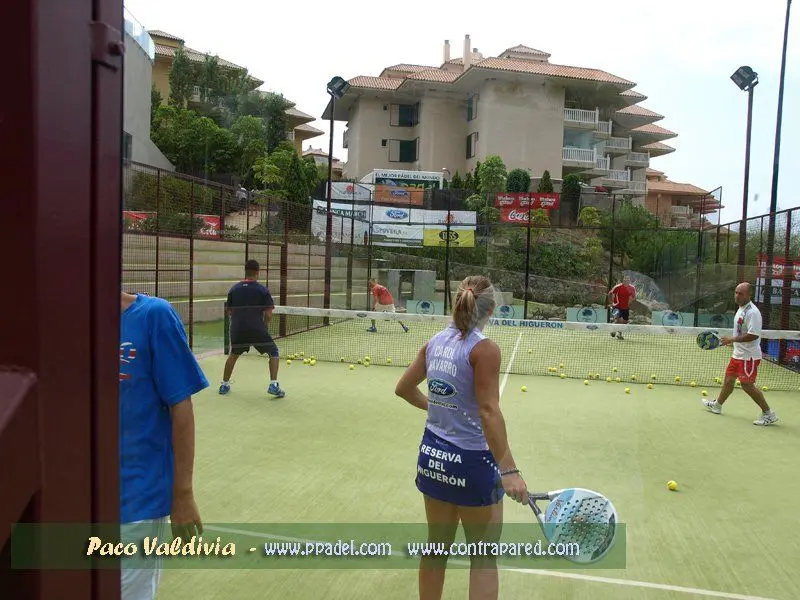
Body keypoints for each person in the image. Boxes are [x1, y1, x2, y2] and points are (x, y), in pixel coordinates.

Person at [394, 275, 528, 600]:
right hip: (471, 463)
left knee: (436, 547)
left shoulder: (434, 342)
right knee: (482, 557)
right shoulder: (485, 349)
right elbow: (488, 411)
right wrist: (509, 470)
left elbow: (403, 389)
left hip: (432, 459)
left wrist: (438, 406)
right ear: (491, 310)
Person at [119, 292, 208, 600]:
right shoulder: (65, 326)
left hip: (137, 502)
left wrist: (183, 494)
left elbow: (180, 407)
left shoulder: (154, 316)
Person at [703, 282, 779, 426]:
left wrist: (732, 339)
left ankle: (769, 414)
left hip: (748, 357)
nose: (737, 296)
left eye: (741, 293)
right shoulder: (741, 309)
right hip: (738, 354)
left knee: (747, 385)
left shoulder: (752, 312)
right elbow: (740, 332)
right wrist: (731, 342)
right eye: (736, 292)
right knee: (728, 381)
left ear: (749, 295)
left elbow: (753, 335)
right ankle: (717, 405)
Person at [219, 259, 285, 398]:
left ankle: (224, 384)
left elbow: (229, 311)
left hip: (237, 329)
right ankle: (273, 385)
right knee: (273, 352)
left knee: (234, 354)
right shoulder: (262, 290)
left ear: (245, 271)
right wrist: (264, 327)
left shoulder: (234, 289)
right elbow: (268, 315)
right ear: (257, 272)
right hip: (257, 329)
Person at [608, 275, 636, 340]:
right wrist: (611, 303)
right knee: (619, 320)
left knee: (625, 322)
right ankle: (617, 333)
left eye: (628, 279)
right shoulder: (618, 287)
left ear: (630, 280)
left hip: (626, 308)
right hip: (617, 306)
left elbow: (634, 297)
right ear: (623, 280)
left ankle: (615, 330)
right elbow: (609, 294)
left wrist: (630, 303)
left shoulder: (632, 288)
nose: (626, 280)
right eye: (625, 279)